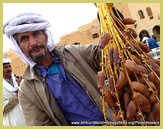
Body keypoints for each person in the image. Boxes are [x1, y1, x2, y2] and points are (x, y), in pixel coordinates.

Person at [3, 12, 135, 126]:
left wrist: (109, 16)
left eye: (36, 34)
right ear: (19, 47)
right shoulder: (27, 91)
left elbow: (106, 53)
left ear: (45, 37)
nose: (33, 42)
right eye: (24, 38)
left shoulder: (73, 53)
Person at [3, 58, 26, 126]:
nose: (9, 69)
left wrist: (23, 85)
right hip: (12, 120)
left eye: (9, 66)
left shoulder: (17, 80)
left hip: (26, 115)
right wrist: (16, 97)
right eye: (6, 67)